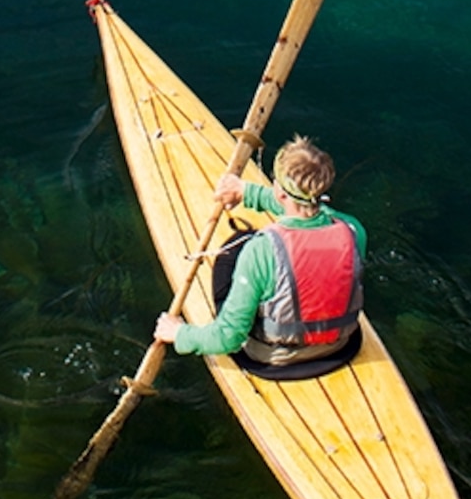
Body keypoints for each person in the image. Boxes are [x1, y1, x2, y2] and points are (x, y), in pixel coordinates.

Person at [154, 135, 365, 378]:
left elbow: (228, 338)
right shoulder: (353, 230)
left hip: (274, 359)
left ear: (280, 191)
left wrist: (180, 333)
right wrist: (247, 192)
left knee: (232, 253)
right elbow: (319, 212)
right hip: (340, 347)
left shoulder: (261, 251)